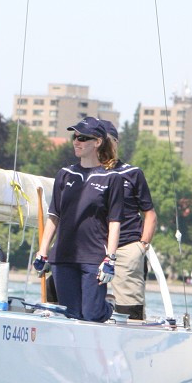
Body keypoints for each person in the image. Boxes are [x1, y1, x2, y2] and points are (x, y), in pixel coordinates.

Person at [34, 117, 123, 322]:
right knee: (72, 315)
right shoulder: (64, 175)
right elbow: (54, 215)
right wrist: (43, 251)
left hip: (94, 257)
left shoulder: (112, 178)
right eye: (75, 137)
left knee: (91, 314)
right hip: (63, 257)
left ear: (98, 142)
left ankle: (108, 307)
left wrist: (110, 258)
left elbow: (114, 221)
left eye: (83, 138)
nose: (76, 141)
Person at [100, 119, 157, 320]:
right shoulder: (84, 174)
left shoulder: (132, 173)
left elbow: (149, 213)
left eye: (107, 140)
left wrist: (141, 246)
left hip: (126, 248)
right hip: (92, 247)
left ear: (115, 143)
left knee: (129, 311)